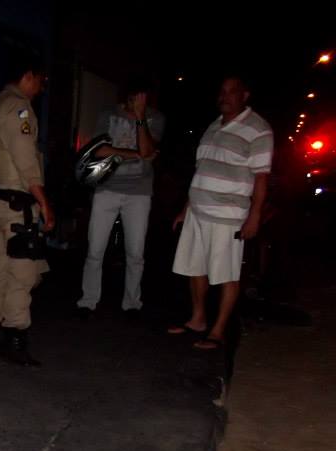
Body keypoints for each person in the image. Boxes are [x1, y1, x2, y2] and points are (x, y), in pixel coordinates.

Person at [169, 74, 273, 350]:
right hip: (198, 210)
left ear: (244, 95)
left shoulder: (258, 129)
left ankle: (218, 330)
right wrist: (186, 208)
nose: (224, 97)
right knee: (194, 267)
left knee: (226, 273)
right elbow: (202, 170)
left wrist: (255, 216)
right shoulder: (214, 125)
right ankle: (198, 319)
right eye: (222, 92)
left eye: (231, 92)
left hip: (228, 214)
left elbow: (261, 178)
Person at [0, 51, 54, 366]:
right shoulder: (18, 107)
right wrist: (44, 203)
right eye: (41, 80)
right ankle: (15, 339)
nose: (42, 87)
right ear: (28, 76)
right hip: (17, 203)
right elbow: (26, 161)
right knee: (22, 272)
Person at [77, 77, 165, 318]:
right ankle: (88, 300)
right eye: (132, 98)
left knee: (135, 252)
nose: (135, 102)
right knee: (95, 248)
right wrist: (134, 154)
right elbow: (99, 149)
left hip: (139, 192)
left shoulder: (155, 118)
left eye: (141, 98)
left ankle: (132, 303)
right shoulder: (108, 114)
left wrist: (140, 118)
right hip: (107, 188)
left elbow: (148, 149)